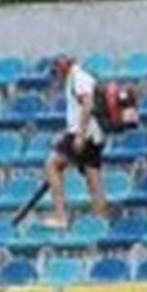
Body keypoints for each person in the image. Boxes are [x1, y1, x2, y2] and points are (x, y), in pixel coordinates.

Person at [41, 56, 108, 229]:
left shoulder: (78, 78)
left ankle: (61, 216)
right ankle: (101, 220)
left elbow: (87, 105)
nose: (57, 77)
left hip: (85, 134)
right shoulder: (80, 78)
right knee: (93, 178)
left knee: (52, 164)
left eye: (57, 72)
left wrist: (79, 134)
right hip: (95, 135)